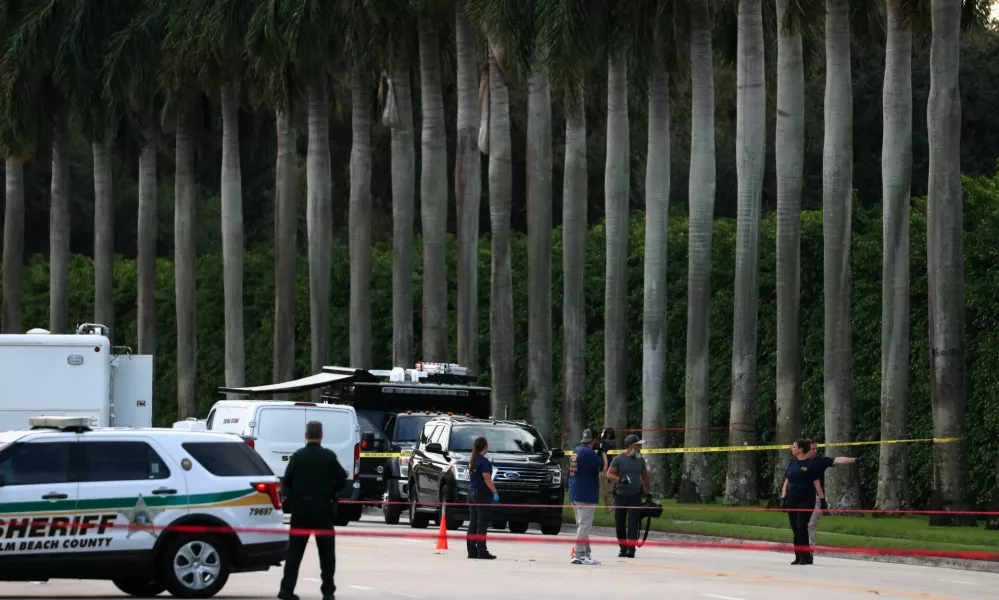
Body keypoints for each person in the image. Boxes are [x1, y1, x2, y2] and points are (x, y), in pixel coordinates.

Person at [279, 420, 348, 600]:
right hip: (322, 510)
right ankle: (327, 591)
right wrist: (331, 491)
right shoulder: (328, 456)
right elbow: (341, 480)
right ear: (321, 436)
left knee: (294, 552)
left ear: (306, 435)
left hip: (300, 511)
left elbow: (286, 481)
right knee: (326, 554)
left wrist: (293, 498)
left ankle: (286, 589)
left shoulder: (298, 456)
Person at [779, 438, 826, 566]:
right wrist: (783, 498)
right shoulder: (792, 463)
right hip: (792, 499)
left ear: (800, 449)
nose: (792, 448)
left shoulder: (811, 464)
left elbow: (817, 483)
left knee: (801, 525)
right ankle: (798, 556)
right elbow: (786, 482)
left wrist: (822, 500)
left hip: (806, 499)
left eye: (794, 447)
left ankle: (805, 556)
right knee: (795, 527)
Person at [805, 439, 856, 554]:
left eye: (816, 448)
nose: (815, 451)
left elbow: (837, 460)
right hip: (800, 497)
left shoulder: (820, 461)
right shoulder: (798, 462)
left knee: (811, 524)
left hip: (816, 497)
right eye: (812, 449)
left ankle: (809, 550)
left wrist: (854, 460)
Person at [606, 434, 650, 558]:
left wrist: (648, 492)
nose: (640, 447)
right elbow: (609, 475)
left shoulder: (640, 460)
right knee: (619, 522)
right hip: (621, 495)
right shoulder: (618, 459)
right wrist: (620, 480)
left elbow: (645, 476)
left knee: (633, 522)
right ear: (631, 445)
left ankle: (631, 548)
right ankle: (622, 547)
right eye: (638, 444)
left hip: (635, 495)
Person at [568, 429, 603, 565]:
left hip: (575, 492)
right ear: (594, 439)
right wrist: (603, 452)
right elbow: (602, 466)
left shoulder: (577, 450)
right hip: (585, 493)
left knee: (582, 526)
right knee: (584, 526)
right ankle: (578, 554)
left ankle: (586, 553)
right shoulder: (589, 453)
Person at [466, 436, 498, 560]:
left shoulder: (472, 460)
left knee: (473, 522)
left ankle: (471, 551)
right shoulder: (484, 461)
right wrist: (495, 492)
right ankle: (482, 551)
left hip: (471, 493)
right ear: (485, 447)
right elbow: (487, 479)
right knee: (482, 524)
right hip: (481, 494)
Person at [597, 428, 616, 514]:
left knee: (608, 490)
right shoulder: (608, 443)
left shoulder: (605, 444)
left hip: (606, 470)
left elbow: (604, 453)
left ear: (608, 434)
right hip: (606, 469)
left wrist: (605, 465)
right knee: (606, 491)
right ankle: (609, 509)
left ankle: (611, 510)